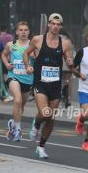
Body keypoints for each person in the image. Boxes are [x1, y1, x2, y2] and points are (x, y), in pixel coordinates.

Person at [24, 13, 75, 159]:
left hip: (55, 84)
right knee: (45, 112)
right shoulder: (38, 39)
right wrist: (28, 66)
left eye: (58, 24)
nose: (55, 26)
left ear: (61, 26)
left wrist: (70, 62)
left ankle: (41, 146)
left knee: (51, 117)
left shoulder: (65, 43)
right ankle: (36, 125)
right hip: (40, 82)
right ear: (49, 24)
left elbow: (68, 58)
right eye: (53, 23)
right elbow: (26, 54)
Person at [2, 22, 35, 142]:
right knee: (17, 100)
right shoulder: (11, 45)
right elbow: (4, 55)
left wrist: (34, 56)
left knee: (21, 105)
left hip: (27, 79)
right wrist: (6, 64)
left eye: (26, 30)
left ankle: (13, 125)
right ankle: (18, 130)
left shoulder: (33, 45)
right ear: (16, 32)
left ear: (29, 32)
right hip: (13, 77)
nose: (23, 32)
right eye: (21, 30)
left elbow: (37, 57)